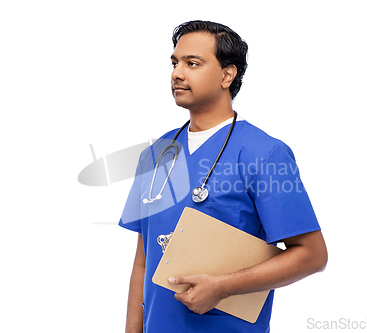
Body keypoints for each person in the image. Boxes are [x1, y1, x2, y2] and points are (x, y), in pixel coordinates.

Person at [118, 20, 328, 333]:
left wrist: (223, 287)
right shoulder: (156, 155)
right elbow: (143, 262)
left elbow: (312, 255)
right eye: (175, 63)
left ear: (227, 75)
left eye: (193, 63)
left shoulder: (264, 154)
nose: (177, 73)